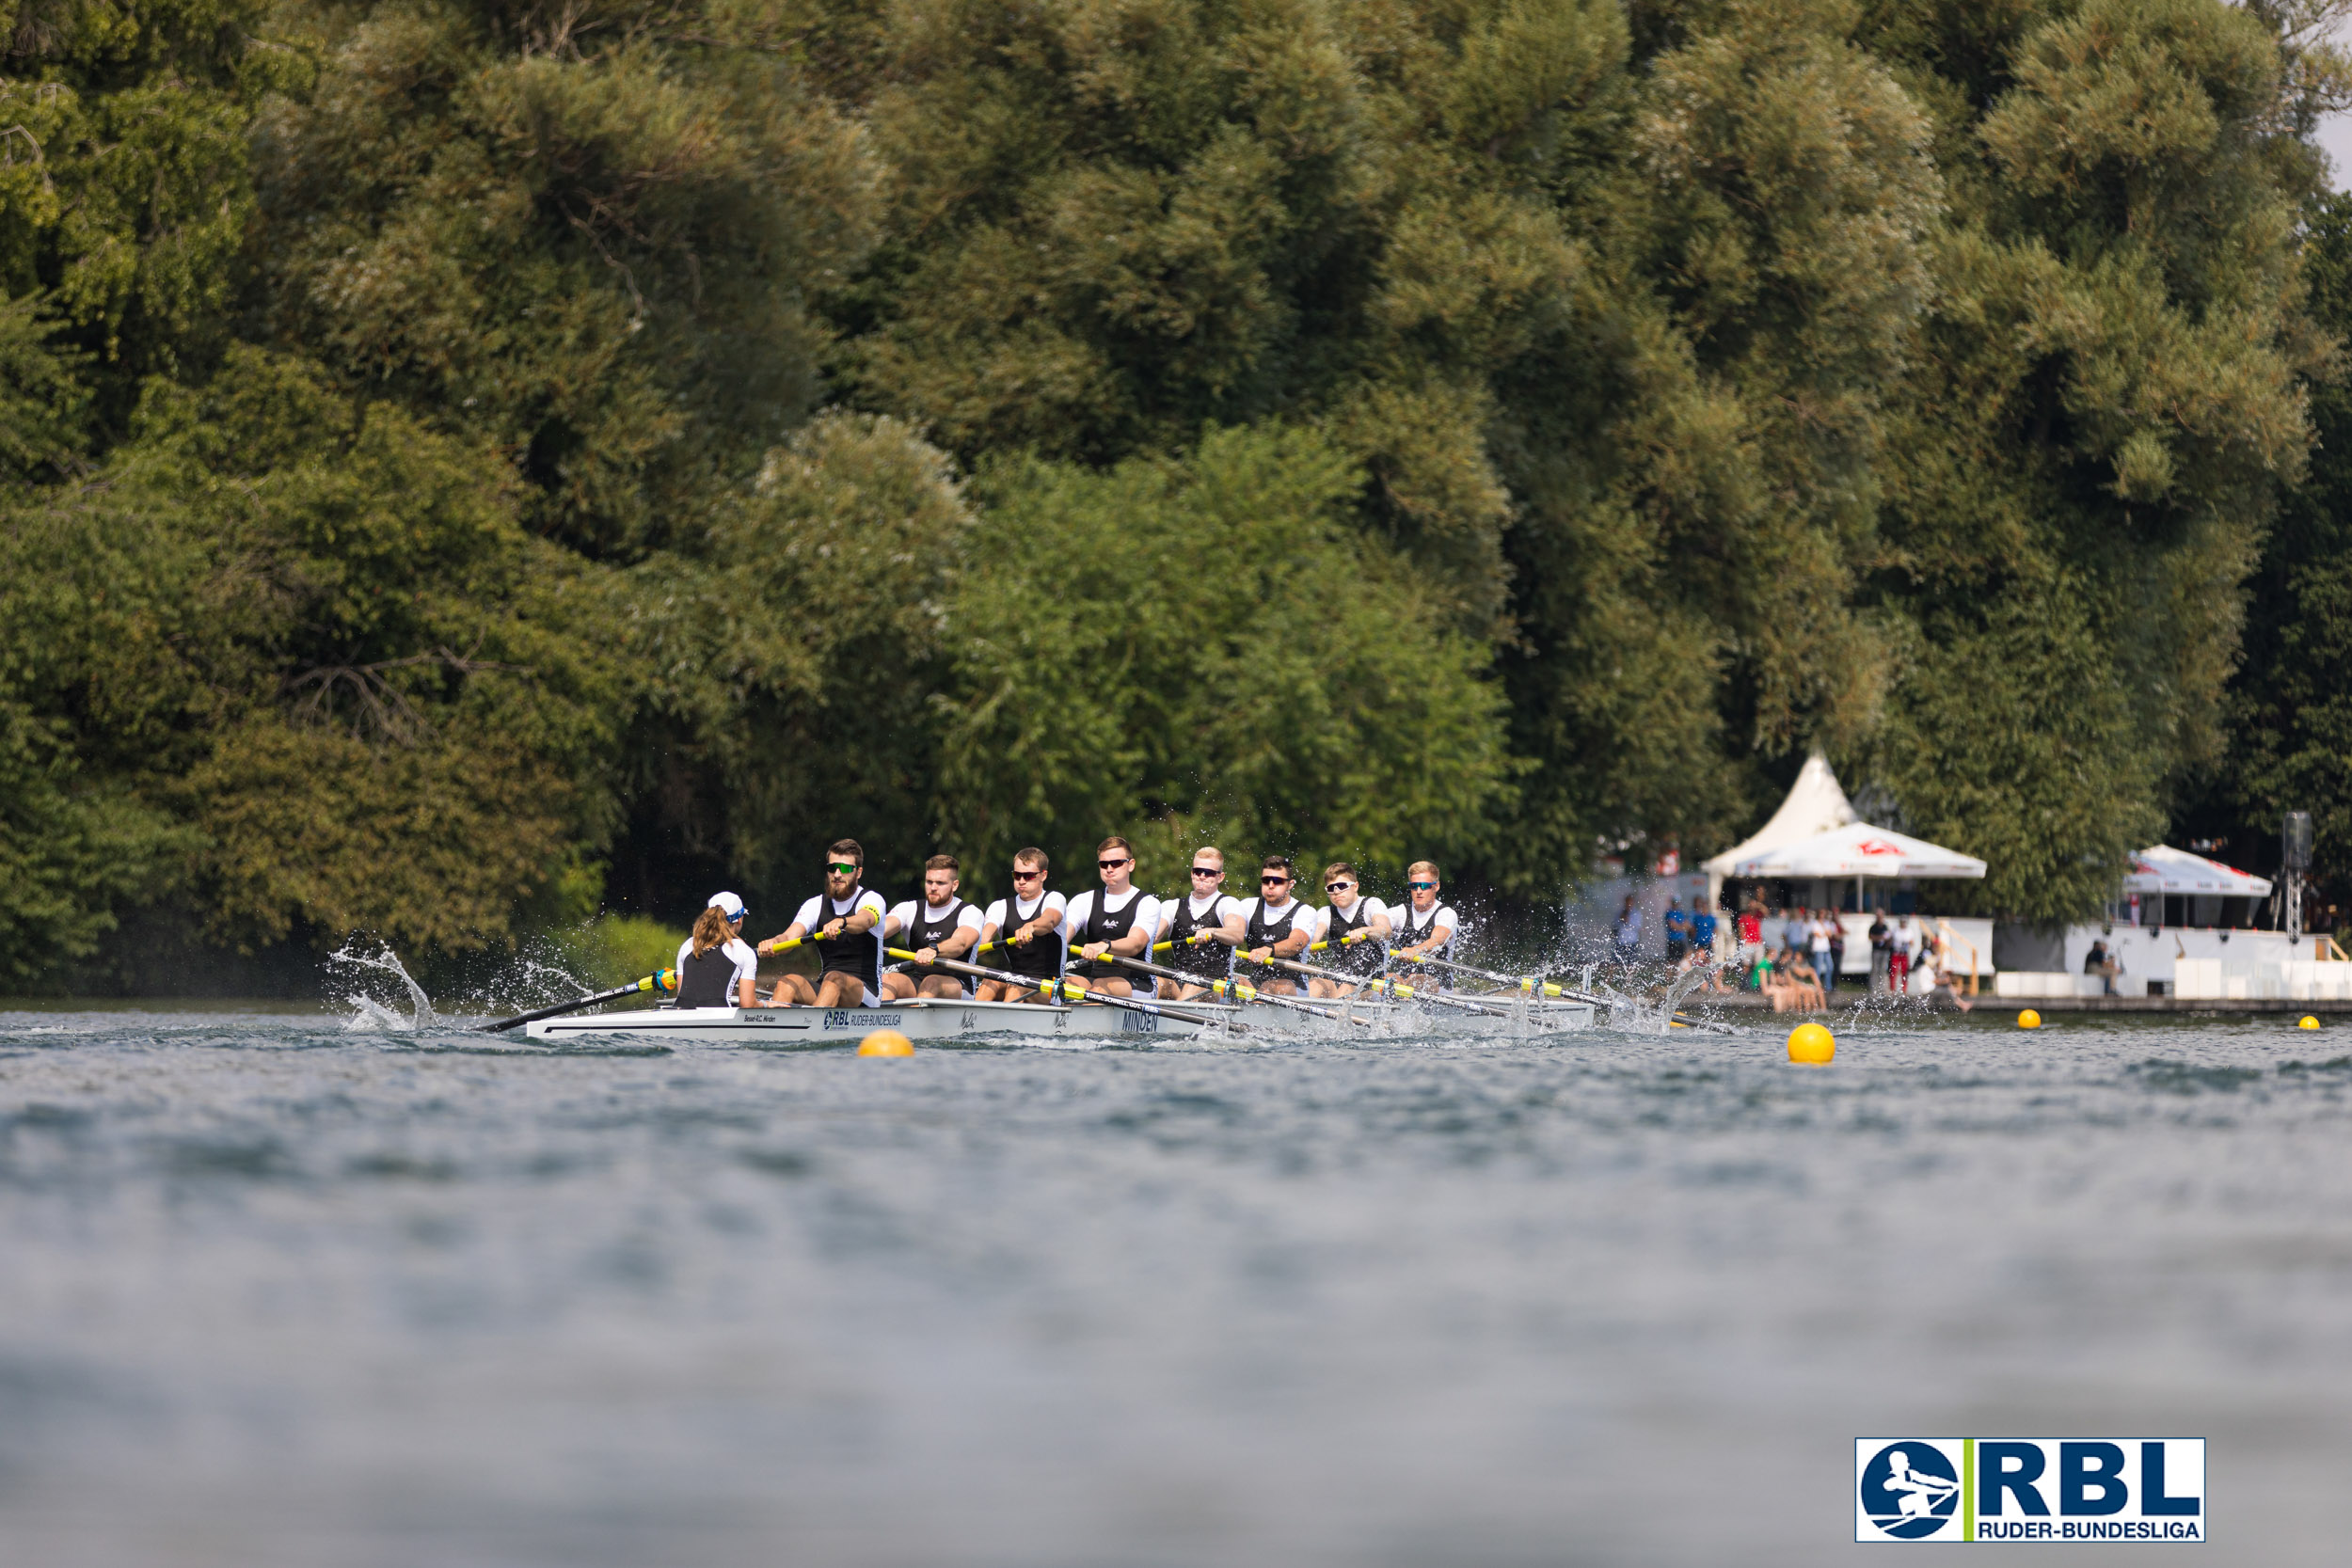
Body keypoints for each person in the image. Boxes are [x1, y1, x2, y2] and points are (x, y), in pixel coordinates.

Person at [762, 840, 889, 1006]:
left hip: (866, 993)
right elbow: (789, 937)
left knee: (834, 978)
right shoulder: (814, 904)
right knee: (787, 983)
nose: (837, 874)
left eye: (845, 869)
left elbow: (865, 920)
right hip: (827, 987)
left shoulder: (872, 899)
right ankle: (775, 1029)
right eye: (832, 868)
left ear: (858, 873)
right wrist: (775, 942)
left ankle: (810, 1028)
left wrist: (842, 922)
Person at [1063, 836, 1161, 999]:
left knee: (1100, 988)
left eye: (1116, 863)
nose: (1109, 869)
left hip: (1139, 983)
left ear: (1131, 865)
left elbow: (1134, 944)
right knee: (1059, 986)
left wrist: (1105, 945)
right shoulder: (1084, 900)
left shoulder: (1148, 903)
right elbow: (1062, 935)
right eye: (1103, 864)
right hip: (1096, 981)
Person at [881, 854, 982, 1000]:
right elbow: (881, 929)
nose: (933, 888)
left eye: (940, 883)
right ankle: (884, 1022)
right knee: (887, 980)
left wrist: (935, 949)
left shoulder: (970, 912)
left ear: (955, 885)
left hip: (960, 985)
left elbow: (960, 943)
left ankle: (914, 1019)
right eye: (929, 882)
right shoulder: (908, 908)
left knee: (931, 982)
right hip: (920, 981)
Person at [976, 847, 1066, 1003]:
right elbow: (984, 938)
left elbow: (1049, 921)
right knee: (989, 981)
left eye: (1029, 876)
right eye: (1017, 875)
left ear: (1043, 875)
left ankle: (1004, 1025)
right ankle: (970, 1023)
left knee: (1016, 986)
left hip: (1051, 988)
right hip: (1017, 980)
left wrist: (1030, 927)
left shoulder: (1054, 899)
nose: (1022, 881)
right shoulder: (1000, 907)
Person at [1224, 855, 1315, 996]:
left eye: (1277, 881)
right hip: (1256, 983)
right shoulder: (1248, 906)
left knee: (1272, 986)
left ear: (1290, 884)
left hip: (1293, 987)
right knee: (1230, 983)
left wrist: (1269, 949)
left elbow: (1297, 942)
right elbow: (1233, 932)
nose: (1271, 885)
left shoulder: (1305, 911)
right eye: (1266, 880)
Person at [1155, 847, 1236, 1001]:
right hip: (1180, 981)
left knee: (1194, 985)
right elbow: (1150, 939)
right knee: (1157, 981)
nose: (1202, 876)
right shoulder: (1171, 906)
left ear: (1220, 877)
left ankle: (1173, 1022)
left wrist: (1213, 932)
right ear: (1192, 873)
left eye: (1209, 873)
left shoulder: (1228, 904)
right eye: (1198, 871)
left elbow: (1237, 934)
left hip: (1217, 987)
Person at [1308, 863, 1390, 998]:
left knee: (1347, 987)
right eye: (1331, 888)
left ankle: (1332, 1015)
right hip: (1340, 983)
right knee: (1316, 983)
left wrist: (1365, 931)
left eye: (1341, 886)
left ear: (1355, 886)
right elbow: (1315, 933)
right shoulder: (1326, 912)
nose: (1336, 892)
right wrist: (1312, 941)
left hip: (1373, 986)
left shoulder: (1372, 904)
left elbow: (1385, 931)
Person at [675, 892, 760, 1009]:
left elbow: (684, 993)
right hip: (719, 1018)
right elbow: (748, 1004)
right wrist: (768, 1004)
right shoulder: (743, 950)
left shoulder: (689, 945)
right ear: (739, 919)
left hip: (680, 1013)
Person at [1391, 861, 1462, 979]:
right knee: (1389, 977)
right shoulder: (1400, 912)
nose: (1419, 891)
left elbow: (1437, 941)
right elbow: (1381, 927)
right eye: (1414, 886)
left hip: (1439, 985)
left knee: (1416, 980)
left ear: (1436, 886)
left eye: (1424, 886)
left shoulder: (1446, 914)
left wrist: (1415, 950)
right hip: (1404, 983)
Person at [1809, 909, 1836, 995]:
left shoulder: (1826, 923)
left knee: (1830, 967)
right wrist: (1825, 932)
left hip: (1826, 948)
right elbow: (1818, 935)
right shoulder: (1815, 923)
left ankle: (1828, 986)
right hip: (1818, 948)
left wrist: (1824, 928)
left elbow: (1830, 935)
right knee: (1818, 968)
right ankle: (1817, 986)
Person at [1613, 895, 1644, 959]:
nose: (1628, 904)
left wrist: (1628, 921)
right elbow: (1615, 924)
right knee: (1615, 961)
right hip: (1620, 940)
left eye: (1630, 902)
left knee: (1631, 962)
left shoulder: (1636, 913)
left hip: (1632, 940)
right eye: (1627, 902)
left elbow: (1638, 926)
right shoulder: (1619, 912)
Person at [1868, 910, 1892, 992]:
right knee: (1875, 969)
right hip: (1876, 951)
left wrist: (1887, 941)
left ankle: (1883, 988)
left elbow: (1888, 937)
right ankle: (1874, 988)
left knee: (1883, 969)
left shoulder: (1885, 927)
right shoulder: (1873, 927)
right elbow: (1871, 937)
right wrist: (1880, 938)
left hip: (1884, 951)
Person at [1663, 898, 1690, 965]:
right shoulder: (1669, 913)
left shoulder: (1681, 913)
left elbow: (1687, 925)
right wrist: (1681, 927)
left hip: (1681, 940)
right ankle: (1669, 975)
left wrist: (1679, 927)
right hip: (1672, 940)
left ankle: (1677, 975)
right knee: (1671, 962)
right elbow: (1674, 927)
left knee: (1681, 961)